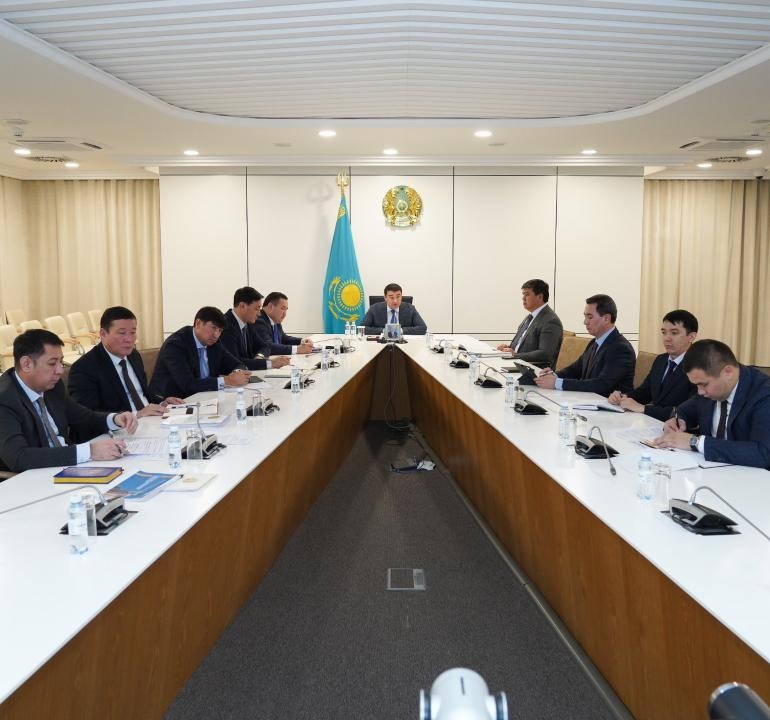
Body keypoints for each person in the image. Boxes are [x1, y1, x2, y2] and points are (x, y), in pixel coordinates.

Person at [0, 329, 137, 473]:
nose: (60, 370)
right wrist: (90, 451)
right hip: (33, 476)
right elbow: (18, 457)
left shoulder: (53, 387)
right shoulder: (4, 399)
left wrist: (115, 419)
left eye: (61, 362)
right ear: (27, 364)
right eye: (52, 363)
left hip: (68, 466)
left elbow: (83, 417)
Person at [653, 339, 770, 469]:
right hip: (708, 471)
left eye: (703, 384)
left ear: (728, 373)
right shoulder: (709, 391)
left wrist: (696, 442)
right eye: (696, 385)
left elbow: (763, 453)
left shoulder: (763, 393)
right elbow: (684, 411)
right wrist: (678, 421)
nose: (700, 392)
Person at [68, 306, 183, 416]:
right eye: (122, 333)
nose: (129, 339)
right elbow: (87, 416)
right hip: (121, 427)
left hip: (150, 420)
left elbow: (142, 394)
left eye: (132, 332)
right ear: (103, 334)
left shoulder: (133, 356)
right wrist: (136, 415)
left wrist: (162, 403)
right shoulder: (84, 368)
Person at [535, 293, 635, 397]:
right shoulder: (594, 343)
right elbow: (575, 369)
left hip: (607, 404)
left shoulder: (621, 349)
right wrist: (554, 375)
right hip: (588, 400)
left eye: (590, 317)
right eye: (585, 317)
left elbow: (602, 385)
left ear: (606, 318)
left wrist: (557, 383)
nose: (585, 322)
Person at [608, 309, 698, 421]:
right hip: (652, 423)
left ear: (691, 336)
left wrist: (644, 409)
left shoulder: (698, 367)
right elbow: (645, 392)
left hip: (677, 427)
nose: (667, 338)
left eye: (674, 333)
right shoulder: (661, 360)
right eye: (664, 332)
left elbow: (690, 412)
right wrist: (622, 397)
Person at [150, 306, 250, 399]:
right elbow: (188, 384)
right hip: (173, 401)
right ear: (198, 324)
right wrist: (227, 381)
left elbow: (237, 364)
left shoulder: (214, 344)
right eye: (213, 328)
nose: (216, 335)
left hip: (206, 398)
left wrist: (238, 373)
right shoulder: (175, 345)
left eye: (220, 330)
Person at [496, 278, 563, 367]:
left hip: (534, 370)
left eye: (527, 294)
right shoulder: (530, 317)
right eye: (523, 294)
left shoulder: (551, 321)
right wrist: (507, 349)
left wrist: (515, 355)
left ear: (540, 297)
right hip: (519, 364)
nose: (523, 298)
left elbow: (545, 354)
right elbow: (523, 347)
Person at [220, 287, 291, 371]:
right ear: (242, 306)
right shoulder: (225, 326)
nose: (259, 313)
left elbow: (265, 347)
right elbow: (235, 361)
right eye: (256, 309)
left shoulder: (248, 322)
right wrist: (270, 363)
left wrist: (259, 357)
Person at [362, 283, 427, 336]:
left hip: (403, 343)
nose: (395, 301)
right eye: (391, 297)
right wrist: (384, 331)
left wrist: (400, 331)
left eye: (398, 297)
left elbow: (423, 328)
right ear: (385, 298)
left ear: (401, 296)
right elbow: (362, 328)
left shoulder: (410, 308)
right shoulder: (374, 308)